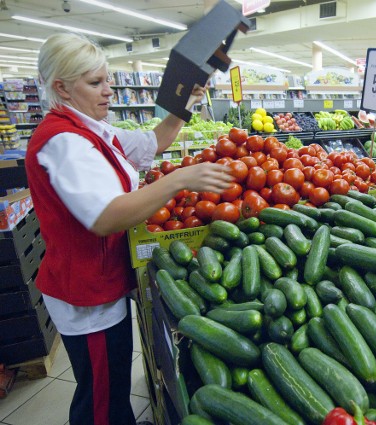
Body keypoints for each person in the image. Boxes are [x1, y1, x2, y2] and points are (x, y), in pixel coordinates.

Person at [25, 33, 232, 425]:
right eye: (95, 83)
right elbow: (106, 217)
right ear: (61, 87)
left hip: (101, 281)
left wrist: (185, 104)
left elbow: (154, 141)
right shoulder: (64, 142)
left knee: (113, 383)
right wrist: (177, 180)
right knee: (100, 396)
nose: (109, 91)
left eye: (107, 80)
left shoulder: (91, 128)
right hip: (86, 294)